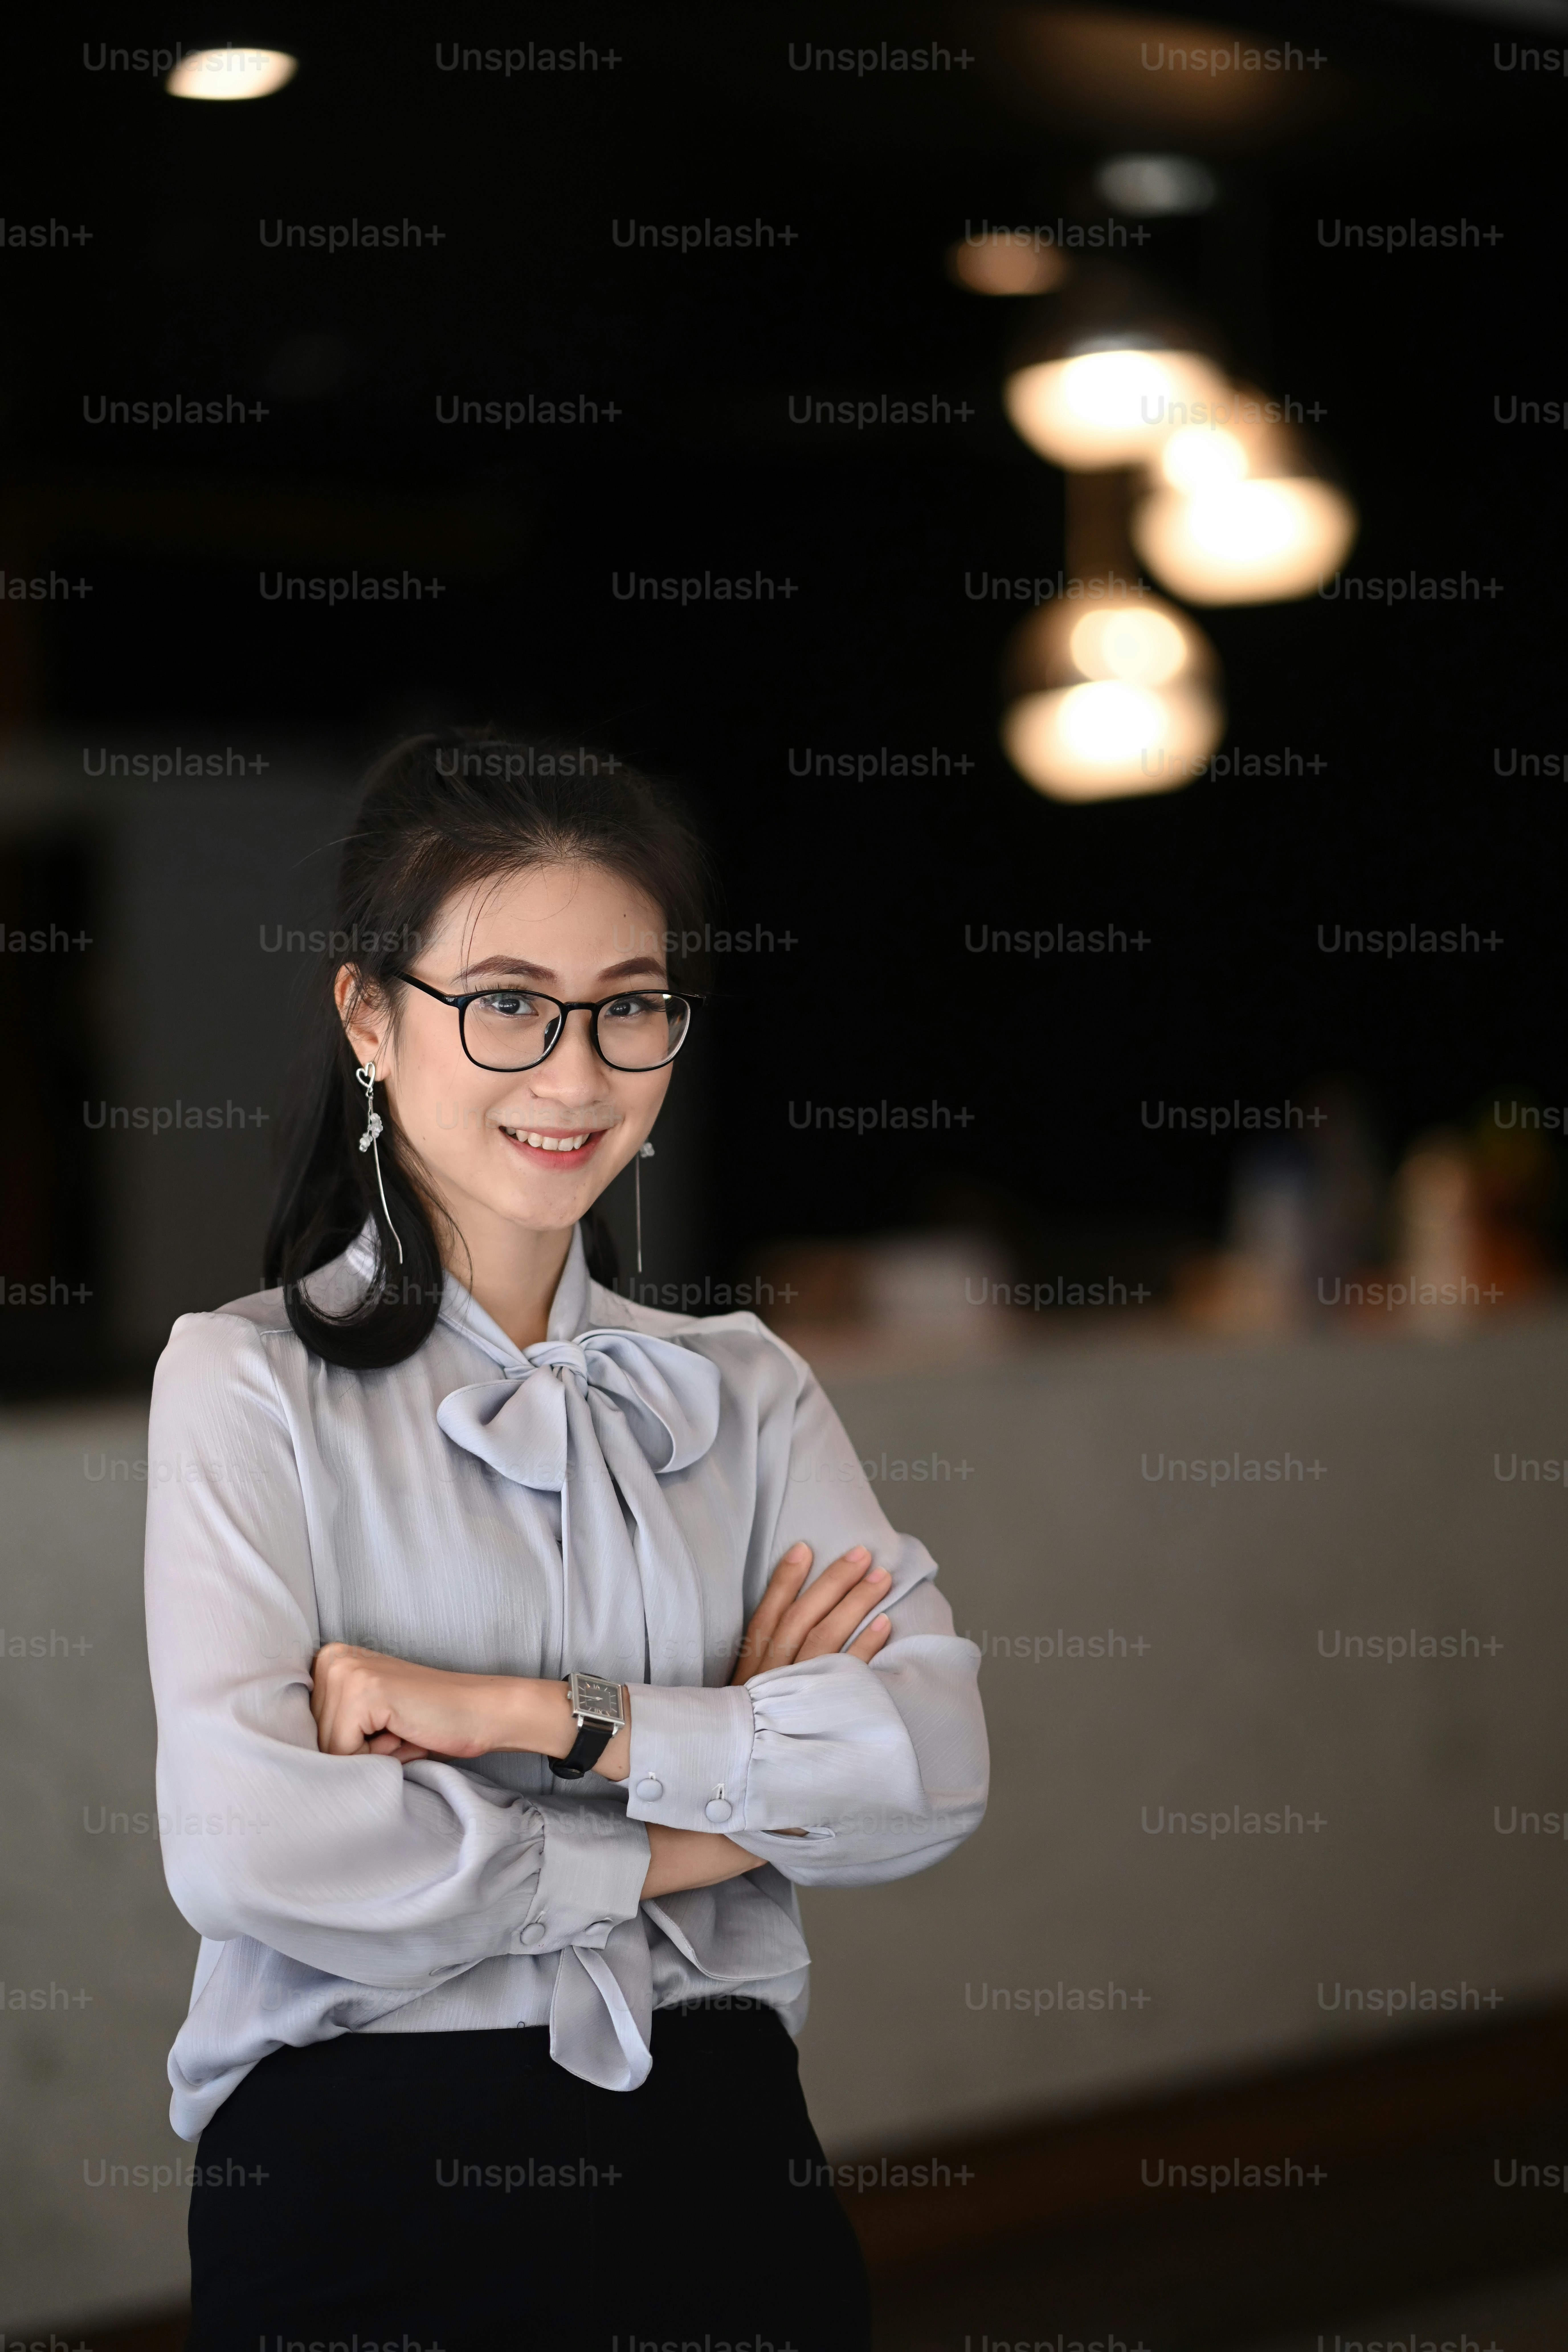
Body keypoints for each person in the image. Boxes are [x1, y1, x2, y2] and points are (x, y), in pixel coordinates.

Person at [144, 732, 989, 2352]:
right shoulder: (246, 1379)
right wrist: (721, 1810)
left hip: (722, 2154)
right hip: (363, 2172)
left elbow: (930, 1767)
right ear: (369, 1019)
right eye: (511, 1002)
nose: (580, 1070)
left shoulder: (745, 1388)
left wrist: (533, 1721)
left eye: (631, 1005)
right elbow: (252, 1849)